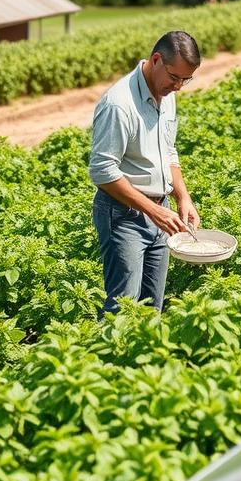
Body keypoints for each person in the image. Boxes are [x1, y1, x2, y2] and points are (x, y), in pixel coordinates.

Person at [88, 31, 202, 314]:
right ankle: (104, 357)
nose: (178, 87)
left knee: (152, 305)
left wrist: (182, 197)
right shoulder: (119, 104)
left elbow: (169, 151)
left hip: (159, 211)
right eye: (175, 77)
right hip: (124, 216)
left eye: (185, 80)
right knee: (123, 306)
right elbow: (102, 171)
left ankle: (146, 357)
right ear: (156, 60)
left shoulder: (166, 95)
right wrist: (152, 210)